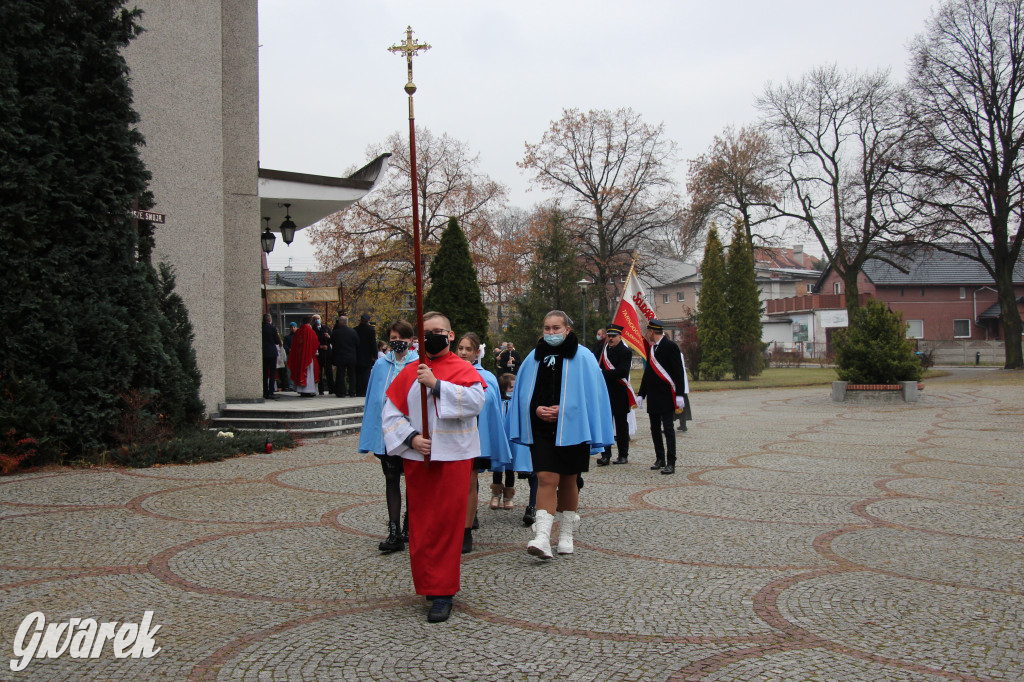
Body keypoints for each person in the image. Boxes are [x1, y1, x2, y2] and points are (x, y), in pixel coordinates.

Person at [381, 311, 485, 623]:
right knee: (423, 525)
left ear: (450, 335)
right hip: (419, 460)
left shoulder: (462, 368)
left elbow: (476, 401)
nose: (433, 336)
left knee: (446, 525)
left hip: (453, 459)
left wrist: (438, 385)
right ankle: (428, 582)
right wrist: (411, 438)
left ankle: (444, 591)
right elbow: (390, 412)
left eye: (439, 331)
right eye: (427, 332)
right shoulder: (410, 370)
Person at [507, 310, 613, 559]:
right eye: (547, 328)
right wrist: (535, 409)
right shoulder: (534, 358)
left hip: (573, 428)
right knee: (545, 477)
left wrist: (565, 410)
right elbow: (522, 394)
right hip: (542, 428)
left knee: (568, 479)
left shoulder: (584, 357)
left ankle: (566, 534)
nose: (551, 333)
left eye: (556, 328)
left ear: (567, 329)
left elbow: (593, 396)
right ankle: (542, 537)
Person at [359, 320, 419, 553]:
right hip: (387, 433)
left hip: (411, 432)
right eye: (393, 337)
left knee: (413, 480)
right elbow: (373, 400)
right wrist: (373, 434)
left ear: (411, 340)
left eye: (402, 338)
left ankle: (409, 526)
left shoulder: (419, 363)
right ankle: (394, 531)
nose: (398, 342)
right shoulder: (380, 365)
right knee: (391, 478)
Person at [455, 332, 512, 553]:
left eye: (468, 349)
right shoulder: (447, 374)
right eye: (460, 348)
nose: (463, 352)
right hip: (452, 438)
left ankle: (466, 529)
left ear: (477, 352)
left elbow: (494, 410)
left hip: (476, 437)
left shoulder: (487, 377)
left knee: (470, 481)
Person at [637, 319, 688, 475]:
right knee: (654, 429)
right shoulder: (651, 349)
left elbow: (679, 372)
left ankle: (671, 461)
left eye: (648, 331)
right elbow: (648, 374)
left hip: (666, 395)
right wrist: (641, 394)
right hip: (653, 396)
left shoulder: (671, 346)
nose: (647, 334)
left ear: (652, 331)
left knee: (668, 428)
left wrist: (680, 394)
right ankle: (660, 458)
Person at [495, 372, 536, 521]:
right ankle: (496, 493)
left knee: (516, 469)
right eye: (511, 386)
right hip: (505, 440)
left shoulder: (517, 402)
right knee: (499, 467)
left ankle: (513, 497)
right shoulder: (500, 402)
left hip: (518, 442)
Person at [595, 324, 636, 466]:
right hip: (605, 392)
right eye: (609, 336)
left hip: (619, 392)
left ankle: (623, 455)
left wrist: (602, 374)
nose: (610, 339)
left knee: (621, 426)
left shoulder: (625, 352)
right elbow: (596, 365)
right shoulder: (602, 350)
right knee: (605, 424)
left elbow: (622, 372)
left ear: (620, 337)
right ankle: (605, 455)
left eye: (613, 336)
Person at [287, 316, 320, 398]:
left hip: (299, 357)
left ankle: (301, 391)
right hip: (308, 356)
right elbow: (315, 342)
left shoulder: (298, 331)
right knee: (308, 373)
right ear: (310, 322)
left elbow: (294, 345)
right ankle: (308, 391)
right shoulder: (310, 331)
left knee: (300, 372)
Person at [331, 314, 359, 398]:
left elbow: (332, 342)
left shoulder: (336, 332)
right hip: (351, 356)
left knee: (341, 374)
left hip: (340, 356)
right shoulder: (353, 332)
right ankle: (352, 391)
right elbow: (357, 343)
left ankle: (341, 392)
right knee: (352, 375)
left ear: (340, 322)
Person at [355, 313, 378, 397]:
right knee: (366, 374)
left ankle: (358, 390)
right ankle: (365, 391)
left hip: (357, 354)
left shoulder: (356, 329)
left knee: (358, 373)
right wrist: (375, 355)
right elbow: (373, 343)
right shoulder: (371, 330)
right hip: (367, 355)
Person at [261, 314, 281, 400]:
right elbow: (277, 341)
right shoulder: (272, 328)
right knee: (272, 372)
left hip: (264, 352)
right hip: (272, 352)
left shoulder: (261, 328)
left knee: (265, 373)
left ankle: (265, 392)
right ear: (270, 320)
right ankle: (271, 391)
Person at [675, 337, 694, 432]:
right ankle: (683, 424)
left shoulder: (676, 354)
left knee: (680, 405)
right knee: (682, 405)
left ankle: (683, 424)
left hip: (677, 384)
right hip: (680, 384)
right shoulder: (679, 353)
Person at [311, 314, 332, 395]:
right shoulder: (313, 330)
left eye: (318, 318)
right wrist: (320, 346)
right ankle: (321, 390)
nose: (317, 320)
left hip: (327, 354)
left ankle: (331, 389)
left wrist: (328, 337)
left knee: (329, 372)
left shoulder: (326, 328)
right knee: (319, 372)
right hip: (318, 354)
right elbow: (312, 342)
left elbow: (332, 339)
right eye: (316, 319)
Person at [283, 321, 298, 390]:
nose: (293, 328)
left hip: (297, 355)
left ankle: (296, 384)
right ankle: (291, 385)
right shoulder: (287, 337)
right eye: (292, 327)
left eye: (294, 327)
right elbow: (285, 345)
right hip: (290, 355)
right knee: (290, 370)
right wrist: (289, 349)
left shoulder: (298, 336)